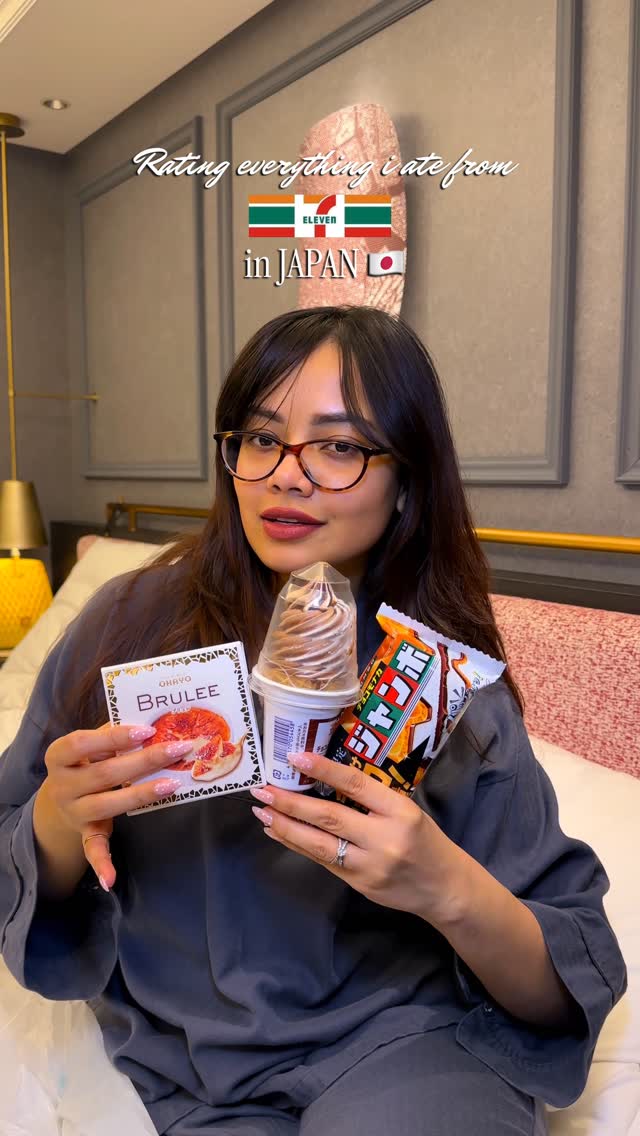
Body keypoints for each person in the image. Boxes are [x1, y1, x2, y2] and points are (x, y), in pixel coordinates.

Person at [0, 306, 627, 1136]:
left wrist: (443, 885)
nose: (286, 476)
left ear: (408, 479)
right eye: (262, 438)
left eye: (338, 446)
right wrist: (56, 816)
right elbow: (14, 835)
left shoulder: (437, 679)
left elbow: (561, 980)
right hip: (187, 1058)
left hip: (404, 1040)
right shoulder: (128, 623)